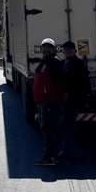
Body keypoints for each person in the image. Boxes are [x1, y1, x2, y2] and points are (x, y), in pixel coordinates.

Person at [33, 38, 65, 166]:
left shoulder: (55, 62)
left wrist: (53, 98)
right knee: (47, 129)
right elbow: (38, 73)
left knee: (49, 129)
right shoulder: (46, 61)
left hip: (51, 101)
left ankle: (50, 157)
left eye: (48, 47)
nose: (45, 49)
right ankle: (51, 156)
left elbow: (59, 83)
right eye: (44, 47)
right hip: (44, 101)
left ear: (53, 49)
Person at [60, 41, 90, 161]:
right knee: (68, 125)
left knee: (70, 125)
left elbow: (82, 82)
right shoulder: (64, 63)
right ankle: (68, 150)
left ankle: (70, 151)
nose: (67, 52)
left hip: (74, 98)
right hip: (67, 100)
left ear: (74, 51)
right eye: (66, 50)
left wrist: (85, 97)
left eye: (69, 50)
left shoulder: (79, 64)